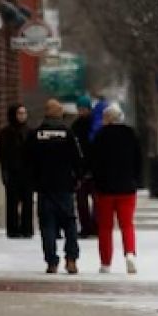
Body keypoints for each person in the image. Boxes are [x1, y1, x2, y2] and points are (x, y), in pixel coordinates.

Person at [30, 98, 86, 274]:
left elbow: (27, 161)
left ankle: (51, 262)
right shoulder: (67, 134)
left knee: (47, 225)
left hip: (45, 187)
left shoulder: (36, 135)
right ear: (60, 114)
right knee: (69, 224)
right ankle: (71, 259)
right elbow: (78, 159)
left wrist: (33, 181)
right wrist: (78, 177)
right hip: (64, 186)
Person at [88, 100, 142, 274]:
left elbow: (94, 163)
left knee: (105, 227)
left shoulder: (100, 136)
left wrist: (96, 183)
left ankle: (105, 262)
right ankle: (130, 254)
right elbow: (138, 161)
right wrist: (134, 180)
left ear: (107, 119)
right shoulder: (131, 134)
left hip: (105, 190)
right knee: (127, 224)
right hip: (127, 188)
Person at [0, 103, 33, 238]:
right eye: (19, 113)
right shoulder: (6, 133)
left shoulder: (29, 132)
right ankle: (13, 229)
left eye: (24, 113)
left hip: (27, 171)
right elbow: (3, 154)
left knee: (27, 201)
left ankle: (27, 228)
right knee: (12, 201)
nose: (22, 116)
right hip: (13, 171)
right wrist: (5, 171)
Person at [70, 96, 97, 236]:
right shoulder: (76, 126)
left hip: (94, 168)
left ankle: (94, 225)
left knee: (96, 200)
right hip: (81, 168)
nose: (82, 111)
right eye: (80, 109)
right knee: (81, 202)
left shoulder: (94, 125)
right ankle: (86, 226)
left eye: (84, 109)